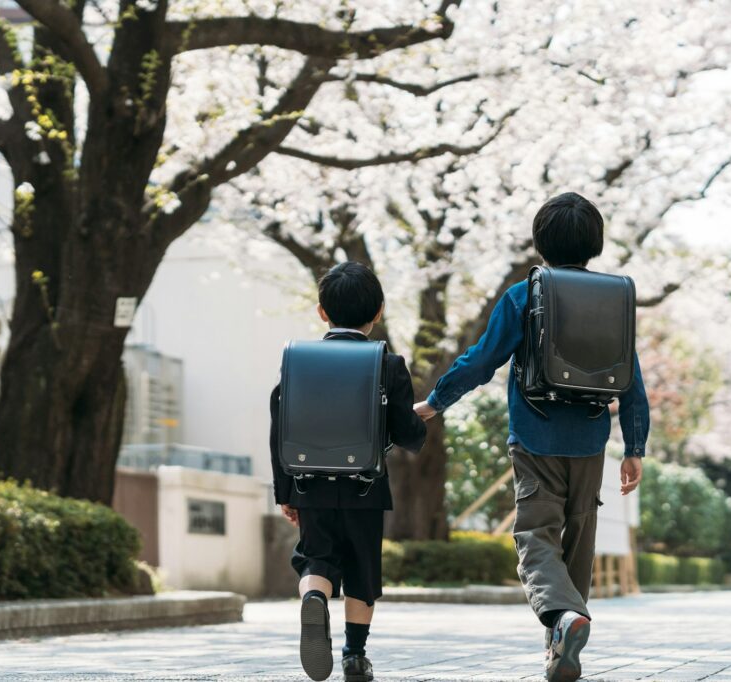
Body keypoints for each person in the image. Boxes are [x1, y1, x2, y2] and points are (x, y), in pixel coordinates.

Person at [413, 192, 650, 682]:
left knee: (535, 535)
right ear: (595, 244)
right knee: (578, 542)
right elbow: (632, 379)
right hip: (589, 440)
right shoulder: (615, 299)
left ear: (539, 242)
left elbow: (482, 361)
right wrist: (635, 447)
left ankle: (562, 620)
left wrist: (436, 401)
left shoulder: (524, 295)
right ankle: (563, 636)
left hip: (535, 435)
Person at [270, 261, 427, 682]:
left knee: (316, 559)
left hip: (309, 483)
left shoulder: (297, 360)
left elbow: (278, 423)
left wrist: (285, 491)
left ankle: (315, 596)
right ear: (378, 312)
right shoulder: (388, 364)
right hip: (365, 488)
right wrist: (420, 422)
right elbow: (407, 433)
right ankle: (355, 656)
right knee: (362, 569)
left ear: (323, 312)